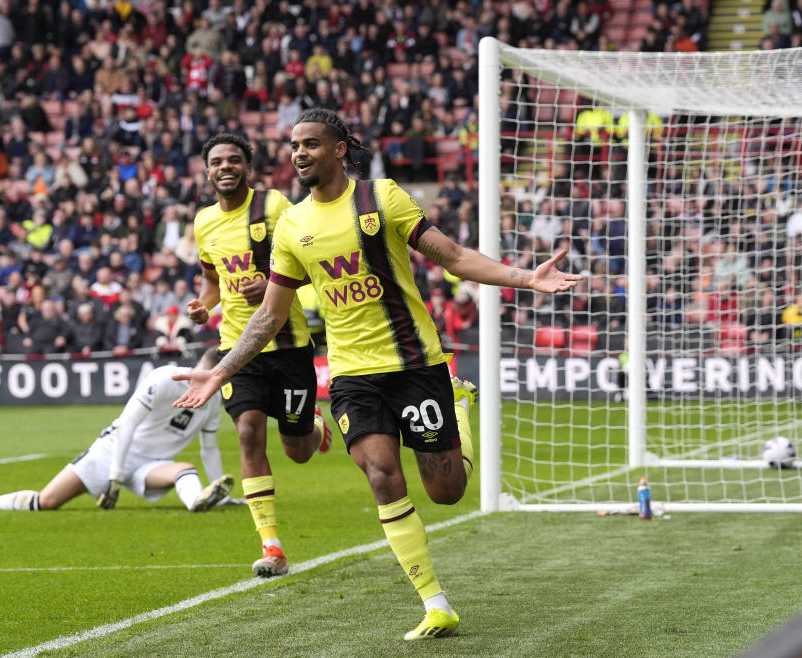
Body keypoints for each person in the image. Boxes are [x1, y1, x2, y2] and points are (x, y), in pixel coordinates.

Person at [173, 109, 581, 640]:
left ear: (340, 149)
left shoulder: (382, 198)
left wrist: (526, 278)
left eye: (311, 144)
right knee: (383, 475)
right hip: (351, 376)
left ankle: (457, 407)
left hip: (413, 363)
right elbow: (270, 315)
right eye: (294, 145)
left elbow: (453, 257)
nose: (299, 153)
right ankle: (435, 603)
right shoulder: (293, 226)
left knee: (447, 491)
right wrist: (218, 370)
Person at [188, 133, 332, 578]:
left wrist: (272, 286)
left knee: (298, 451)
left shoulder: (273, 208)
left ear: (247, 168)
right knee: (248, 431)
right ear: (207, 171)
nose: (225, 166)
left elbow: (315, 260)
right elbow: (212, 280)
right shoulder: (203, 222)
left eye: (234, 160)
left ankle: (313, 426)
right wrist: (203, 305)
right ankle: (272, 547)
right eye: (217, 161)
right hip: (237, 346)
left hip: (287, 346)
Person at [0, 348, 238, 513]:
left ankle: (198, 501)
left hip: (151, 465)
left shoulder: (212, 403)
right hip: (111, 451)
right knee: (48, 501)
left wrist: (222, 494)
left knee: (184, 469)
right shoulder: (164, 378)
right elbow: (128, 423)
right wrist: (114, 476)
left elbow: (209, 447)